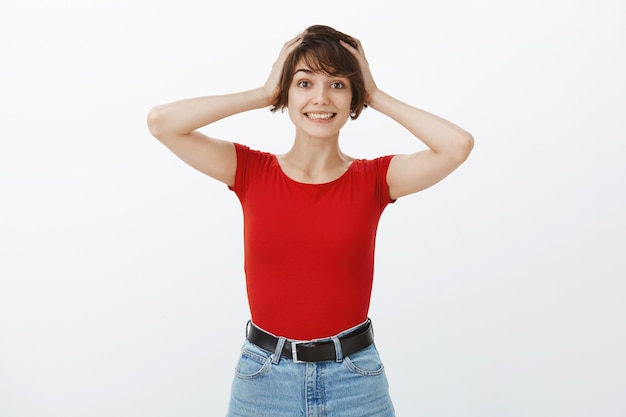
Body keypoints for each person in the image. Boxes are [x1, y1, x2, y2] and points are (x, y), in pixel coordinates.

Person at [147, 24, 473, 417]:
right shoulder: (250, 170)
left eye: (337, 84)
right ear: (287, 93)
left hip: (355, 380)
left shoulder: (375, 180)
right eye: (304, 83)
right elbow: (161, 122)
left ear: (354, 97)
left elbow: (457, 146)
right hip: (263, 380)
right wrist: (264, 92)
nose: (320, 98)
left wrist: (377, 95)